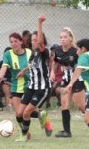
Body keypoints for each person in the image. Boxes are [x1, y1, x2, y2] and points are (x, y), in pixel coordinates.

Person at [15, 14, 52, 142]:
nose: (34, 42)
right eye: (32, 40)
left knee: (26, 113)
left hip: (42, 88)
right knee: (19, 114)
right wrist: (23, 71)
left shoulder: (44, 52)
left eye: (36, 40)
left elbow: (41, 42)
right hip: (31, 87)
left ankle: (24, 136)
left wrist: (39, 23)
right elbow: (31, 65)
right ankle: (42, 116)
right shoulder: (33, 54)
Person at [0, 32, 33, 139]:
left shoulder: (29, 52)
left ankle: (40, 116)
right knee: (19, 114)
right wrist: (0, 76)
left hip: (29, 85)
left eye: (16, 41)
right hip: (16, 86)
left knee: (27, 112)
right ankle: (26, 132)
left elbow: (34, 66)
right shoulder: (8, 54)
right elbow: (4, 67)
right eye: (11, 42)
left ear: (21, 41)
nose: (14, 44)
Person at [50, 27, 86, 138]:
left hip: (77, 80)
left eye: (65, 37)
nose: (63, 39)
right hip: (66, 80)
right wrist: (52, 72)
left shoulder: (76, 51)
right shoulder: (57, 50)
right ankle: (67, 131)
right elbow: (55, 62)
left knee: (81, 106)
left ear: (70, 38)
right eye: (61, 37)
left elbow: (83, 65)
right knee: (64, 104)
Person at [46, 44, 62, 108]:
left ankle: (59, 103)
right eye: (53, 50)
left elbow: (61, 74)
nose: (54, 51)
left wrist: (56, 81)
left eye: (55, 50)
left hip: (59, 79)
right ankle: (48, 104)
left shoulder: (60, 59)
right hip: (50, 79)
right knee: (48, 87)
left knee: (56, 89)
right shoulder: (49, 59)